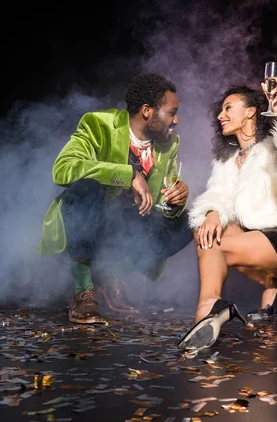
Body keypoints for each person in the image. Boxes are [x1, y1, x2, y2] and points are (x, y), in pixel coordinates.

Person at [177, 77, 277, 351]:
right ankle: (274, 290)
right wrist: (212, 213)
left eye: (228, 108)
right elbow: (219, 195)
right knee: (207, 231)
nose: (220, 115)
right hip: (263, 240)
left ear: (250, 112)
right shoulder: (227, 161)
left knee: (216, 245)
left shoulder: (271, 146)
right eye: (220, 111)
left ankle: (211, 309)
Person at [38, 72, 192, 324]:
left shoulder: (169, 144)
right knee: (88, 187)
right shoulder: (99, 124)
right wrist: (127, 173)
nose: (176, 120)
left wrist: (176, 200)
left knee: (190, 220)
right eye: (171, 112)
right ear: (147, 111)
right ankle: (82, 289)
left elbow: (162, 204)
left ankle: (110, 275)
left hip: (126, 227)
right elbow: (63, 169)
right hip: (89, 220)